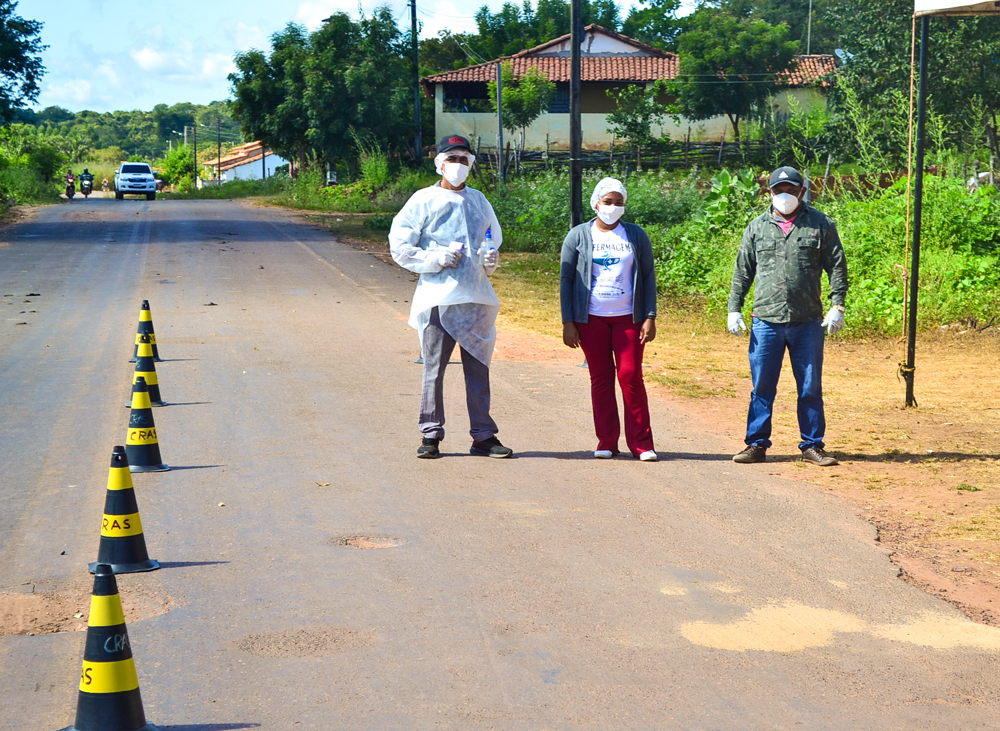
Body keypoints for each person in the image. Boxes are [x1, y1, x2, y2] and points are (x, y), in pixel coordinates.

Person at [389, 134, 512, 460]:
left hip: (475, 298)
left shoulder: (479, 201)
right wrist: (434, 259)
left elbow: (492, 240)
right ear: (440, 163)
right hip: (438, 298)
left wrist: (490, 259)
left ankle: (483, 437)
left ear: (471, 165)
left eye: (464, 159)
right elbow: (400, 245)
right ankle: (430, 435)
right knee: (434, 369)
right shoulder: (423, 201)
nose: (458, 165)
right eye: (452, 159)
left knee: (478, 369)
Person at [727, 166, 849, 467]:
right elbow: (743, 270)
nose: (785, 196)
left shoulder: (820, 224)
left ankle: (812, 445)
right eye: (778, 190)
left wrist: (838, 305)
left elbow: (837, 266)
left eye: (791, 190)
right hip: (766, 320)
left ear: (802, 192)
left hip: (807, 321)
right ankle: (756, 444)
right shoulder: (757, 227)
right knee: (762, 386)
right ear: (769, 193)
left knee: (809, 386)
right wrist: (734, 308)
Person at [560, 177, 658, 461]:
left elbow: (649, 276)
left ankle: (642, 444)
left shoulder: (635, 235)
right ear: (595, 203)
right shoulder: (578, 235)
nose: (613, 207)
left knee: (630, 376)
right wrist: (569, 321)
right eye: (607, 202)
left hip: (629, 317)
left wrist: (650, 316)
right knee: (601, 378)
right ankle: (606, 441)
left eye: (618, 203)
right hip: (591, 319)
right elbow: (566, 280)